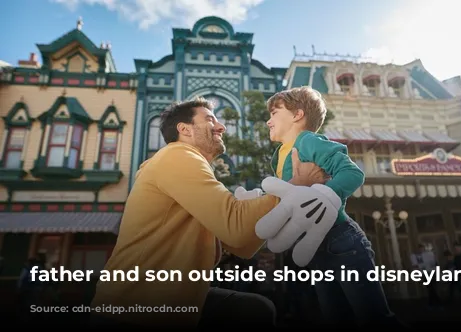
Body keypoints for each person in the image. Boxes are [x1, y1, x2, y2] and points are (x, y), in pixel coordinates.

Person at [89, 97, 328, 328]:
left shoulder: (188, 166)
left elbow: (241, 243)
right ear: (185, 129)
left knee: (255, 311)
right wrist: (295, 186)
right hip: (134, 305)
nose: (221, 126)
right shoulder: (177, 155)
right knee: (254, 312)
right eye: (211, 120)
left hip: (168, 300)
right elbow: (235, 227)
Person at [259, 86, 403, 328]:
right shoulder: (278, 156)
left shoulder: (307, 141)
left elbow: (351, 172)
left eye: (275, 112)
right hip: (316, 248)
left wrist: (325, 195)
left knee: (376, 320)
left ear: (297, 115)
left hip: (342, 239)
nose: (268, 120)